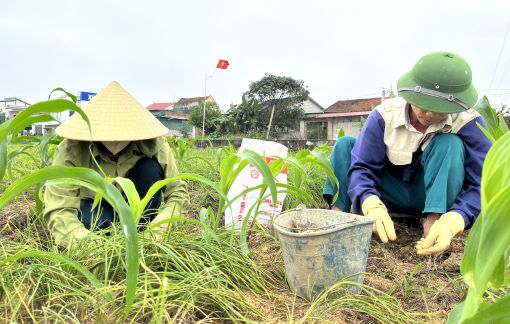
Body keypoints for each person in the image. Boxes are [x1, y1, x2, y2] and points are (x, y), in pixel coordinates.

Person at [323, 51, 492, 255]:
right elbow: (363, 166)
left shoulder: (468, 122)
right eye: (425, 105)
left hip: (429, 196)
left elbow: (484, 182)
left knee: (449, 143)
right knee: (344, 145)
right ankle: (337, 219)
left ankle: (434, 223)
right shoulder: (384, 115)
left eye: (441, 109)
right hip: (387, 194)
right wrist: (369, 202)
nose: (431, 115)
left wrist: (456, 218)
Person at [44, 81, 190, 247]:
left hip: (137, 211)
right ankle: (114, 241)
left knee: (150, 168)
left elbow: (177, 191)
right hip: (95, 212)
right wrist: (89, 246)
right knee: (86, 216)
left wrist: (161, 225)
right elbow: (59, 209)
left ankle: (139, 239)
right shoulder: (71, 150)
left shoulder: (153, 143)